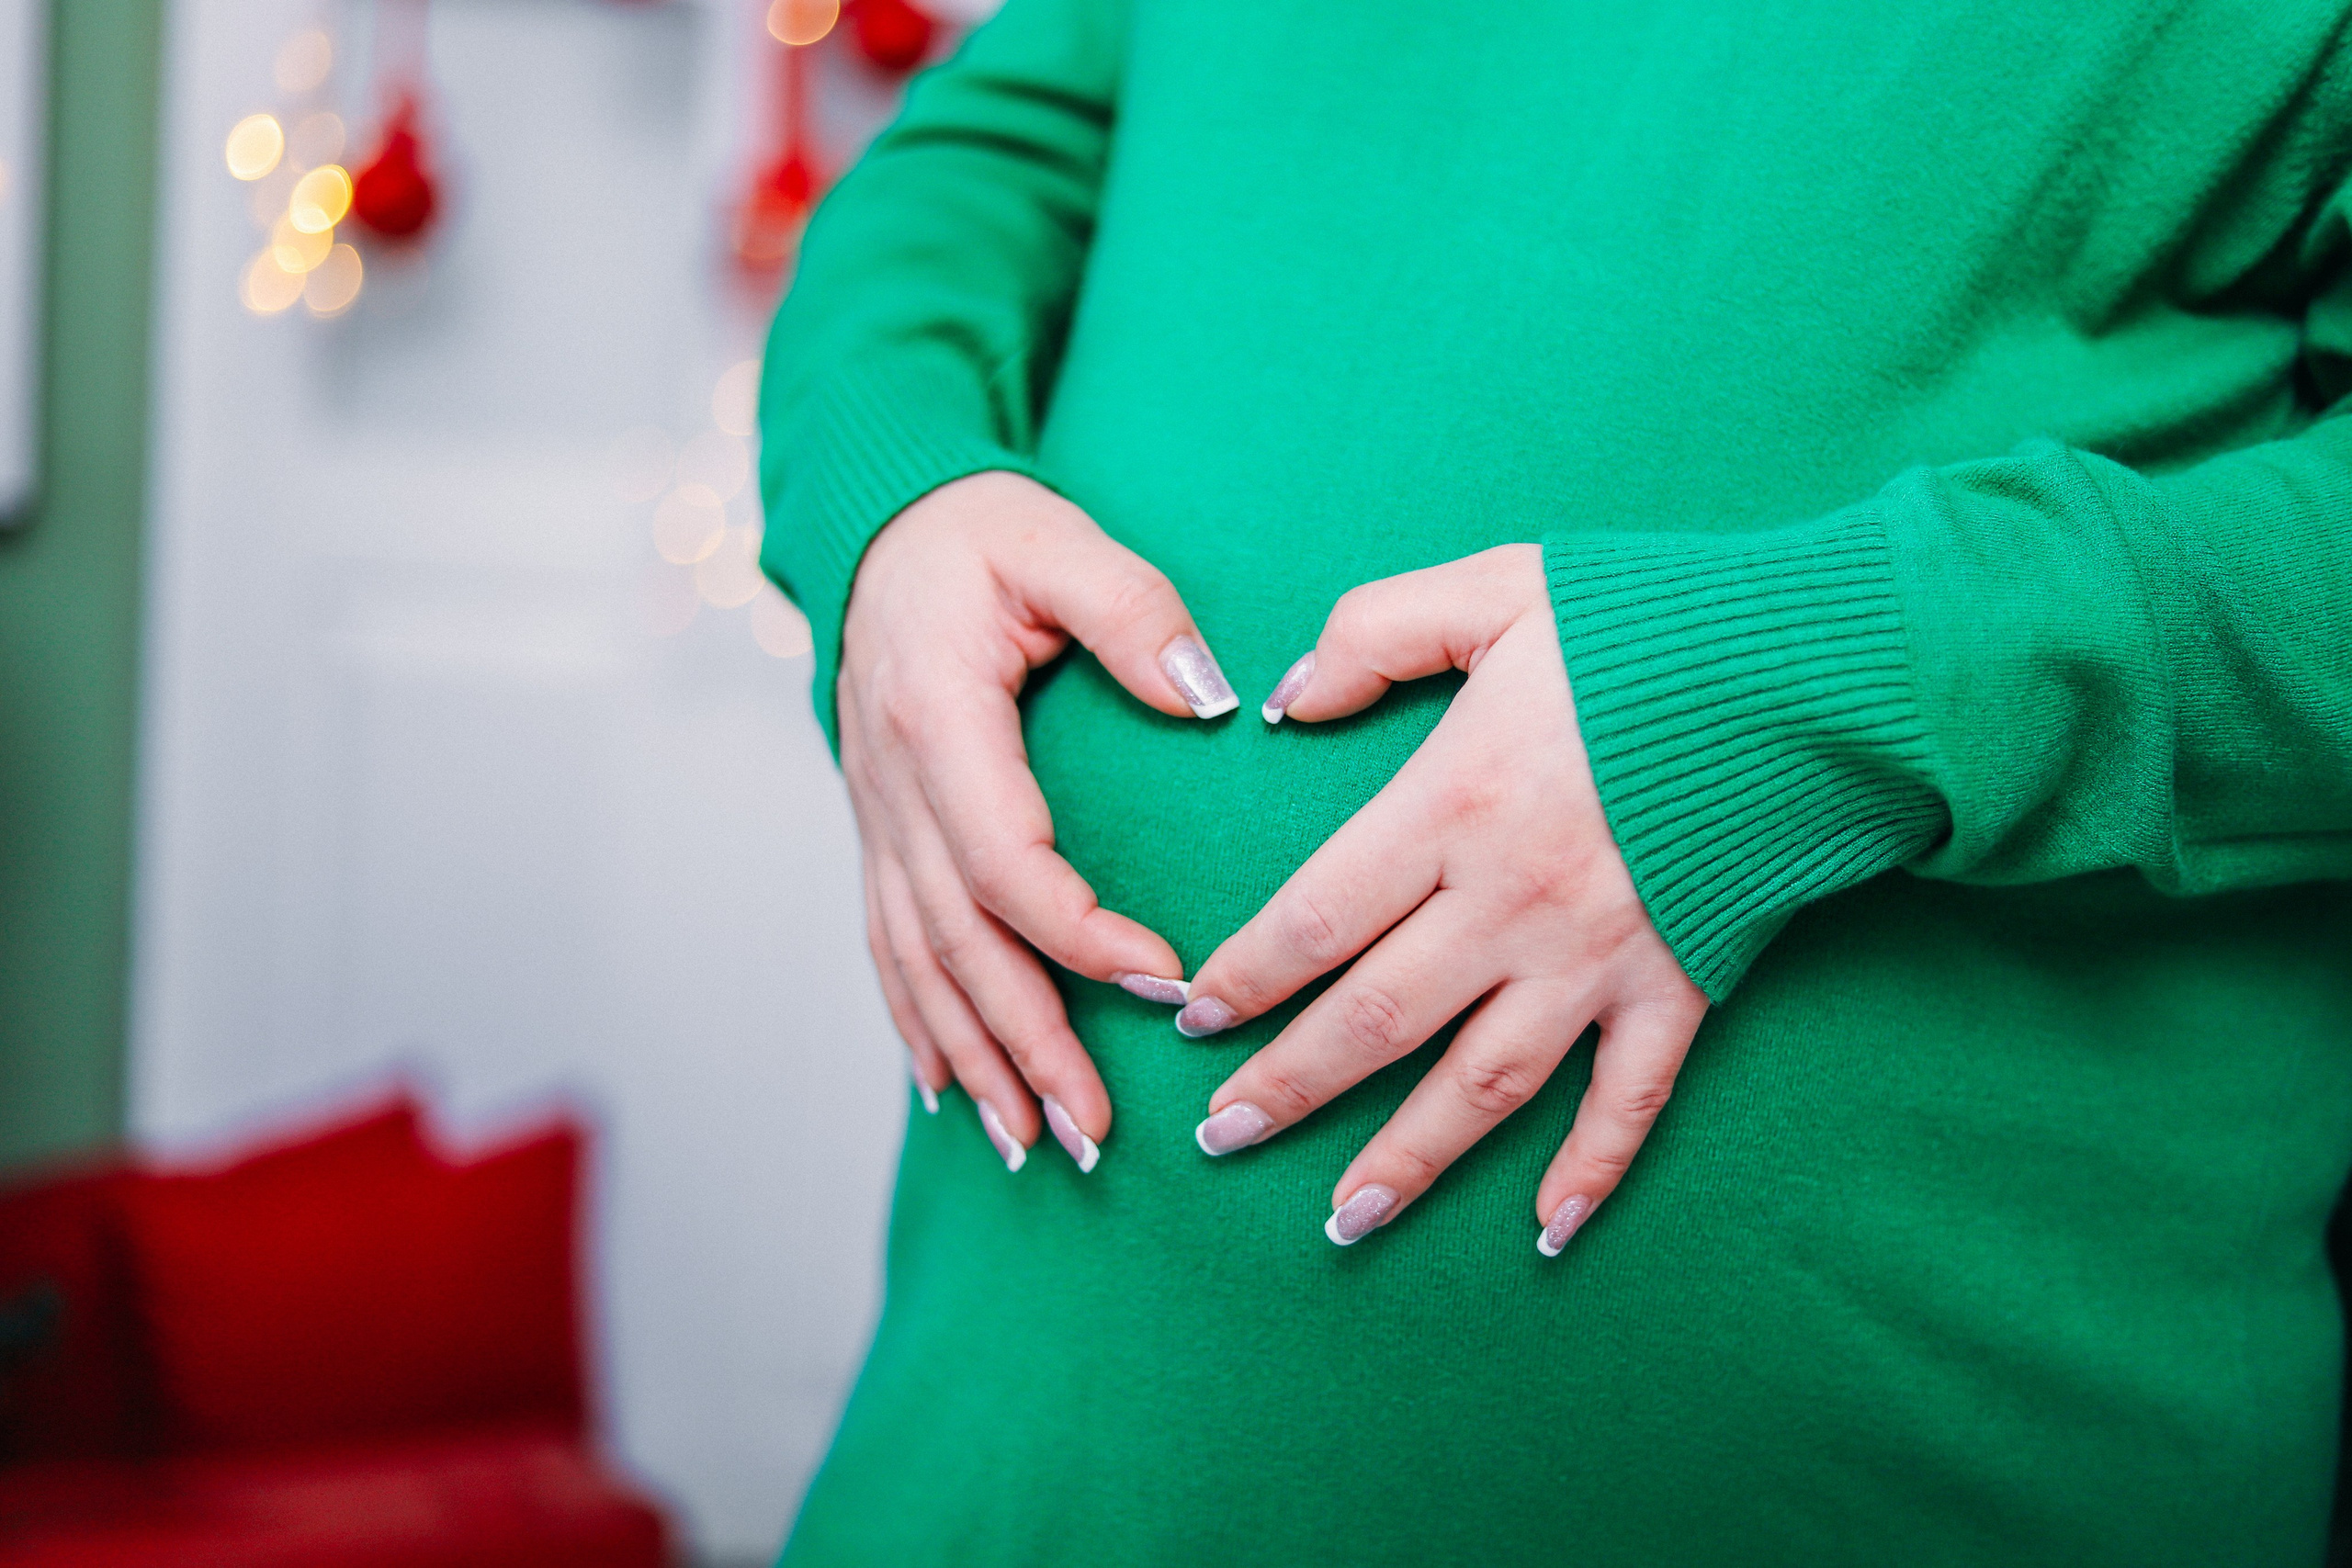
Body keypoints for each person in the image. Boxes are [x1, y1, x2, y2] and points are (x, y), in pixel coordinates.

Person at [756, 1, 2352, 1561]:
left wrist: (1826, 676)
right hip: (1026, 1410)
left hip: (1888, 1456)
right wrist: (895, 496)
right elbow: (996, 144)